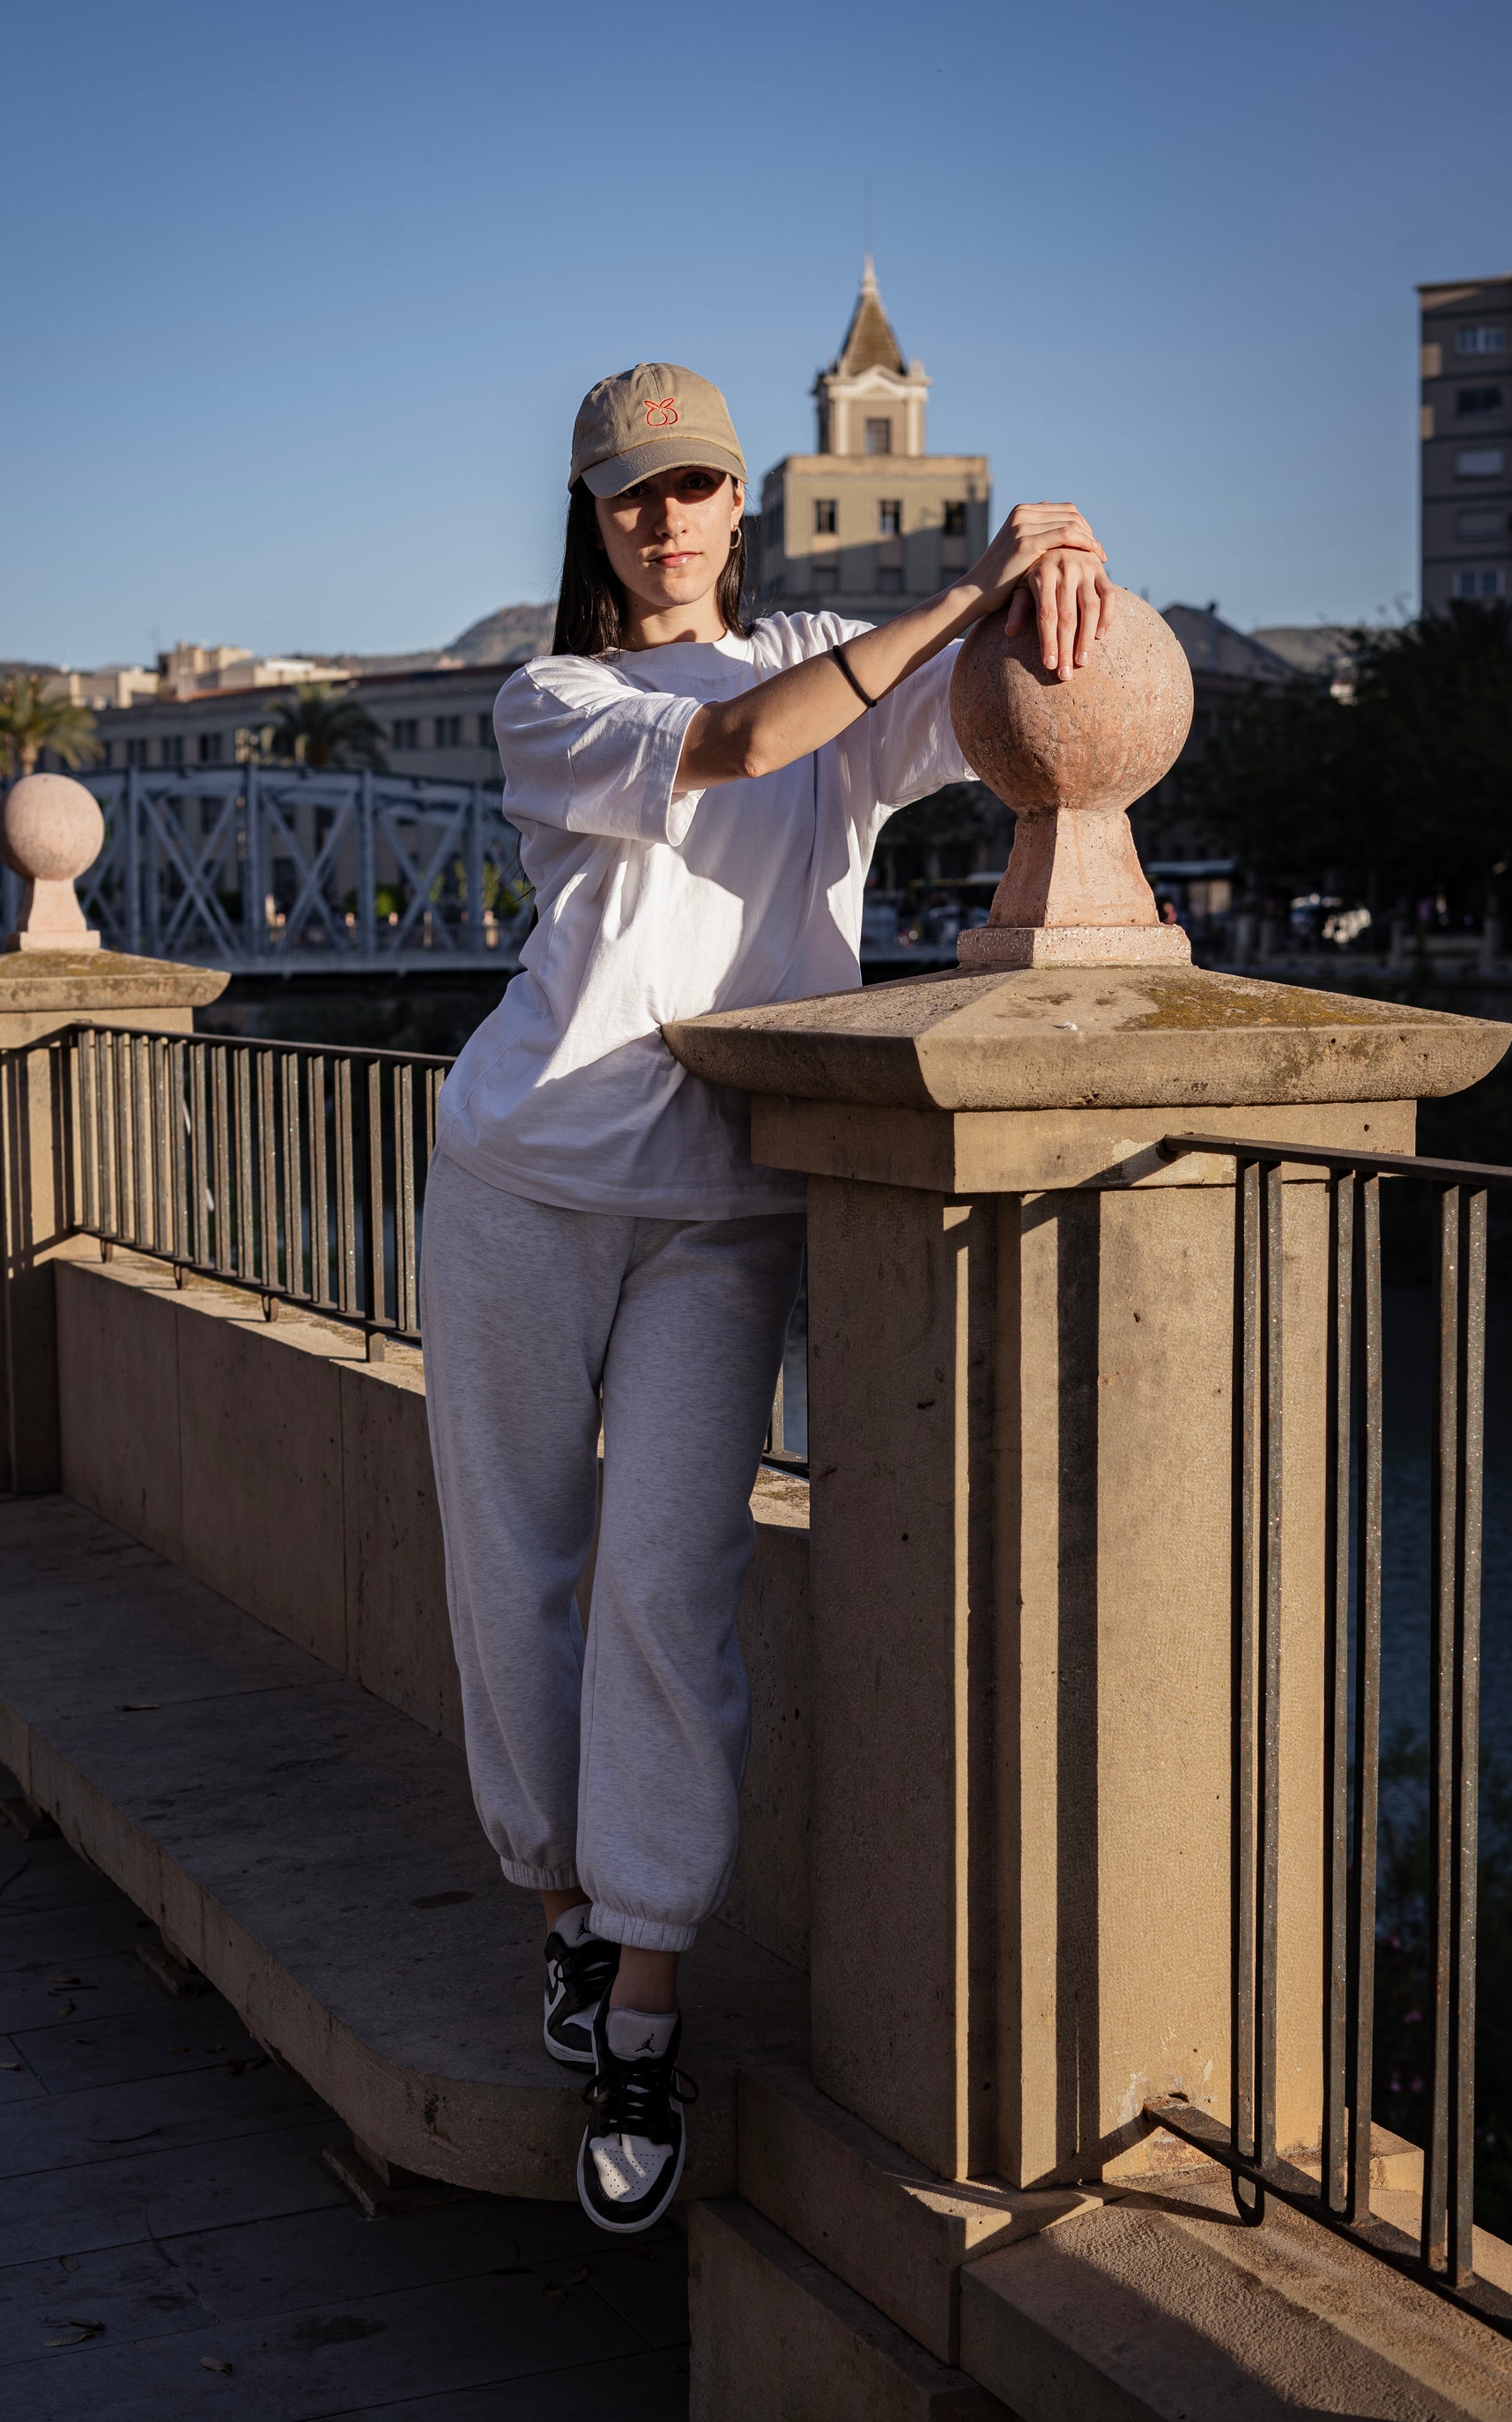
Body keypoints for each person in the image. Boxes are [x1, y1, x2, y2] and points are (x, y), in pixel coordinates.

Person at [420, 361, 1113, 2233]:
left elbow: (980, 709)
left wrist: (1055, 564)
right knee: (518, 1570)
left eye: (696, 483)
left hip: (721, 1205)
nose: (663, 515)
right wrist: (960, 588)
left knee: (668, 1582)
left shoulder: (840, 653)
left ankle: (641, 1991)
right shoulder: (554, 695)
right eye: (630, 491)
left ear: (745, 502)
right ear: (594, 517)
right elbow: (734, 751)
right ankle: (562, 1906)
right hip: (519, 1177)